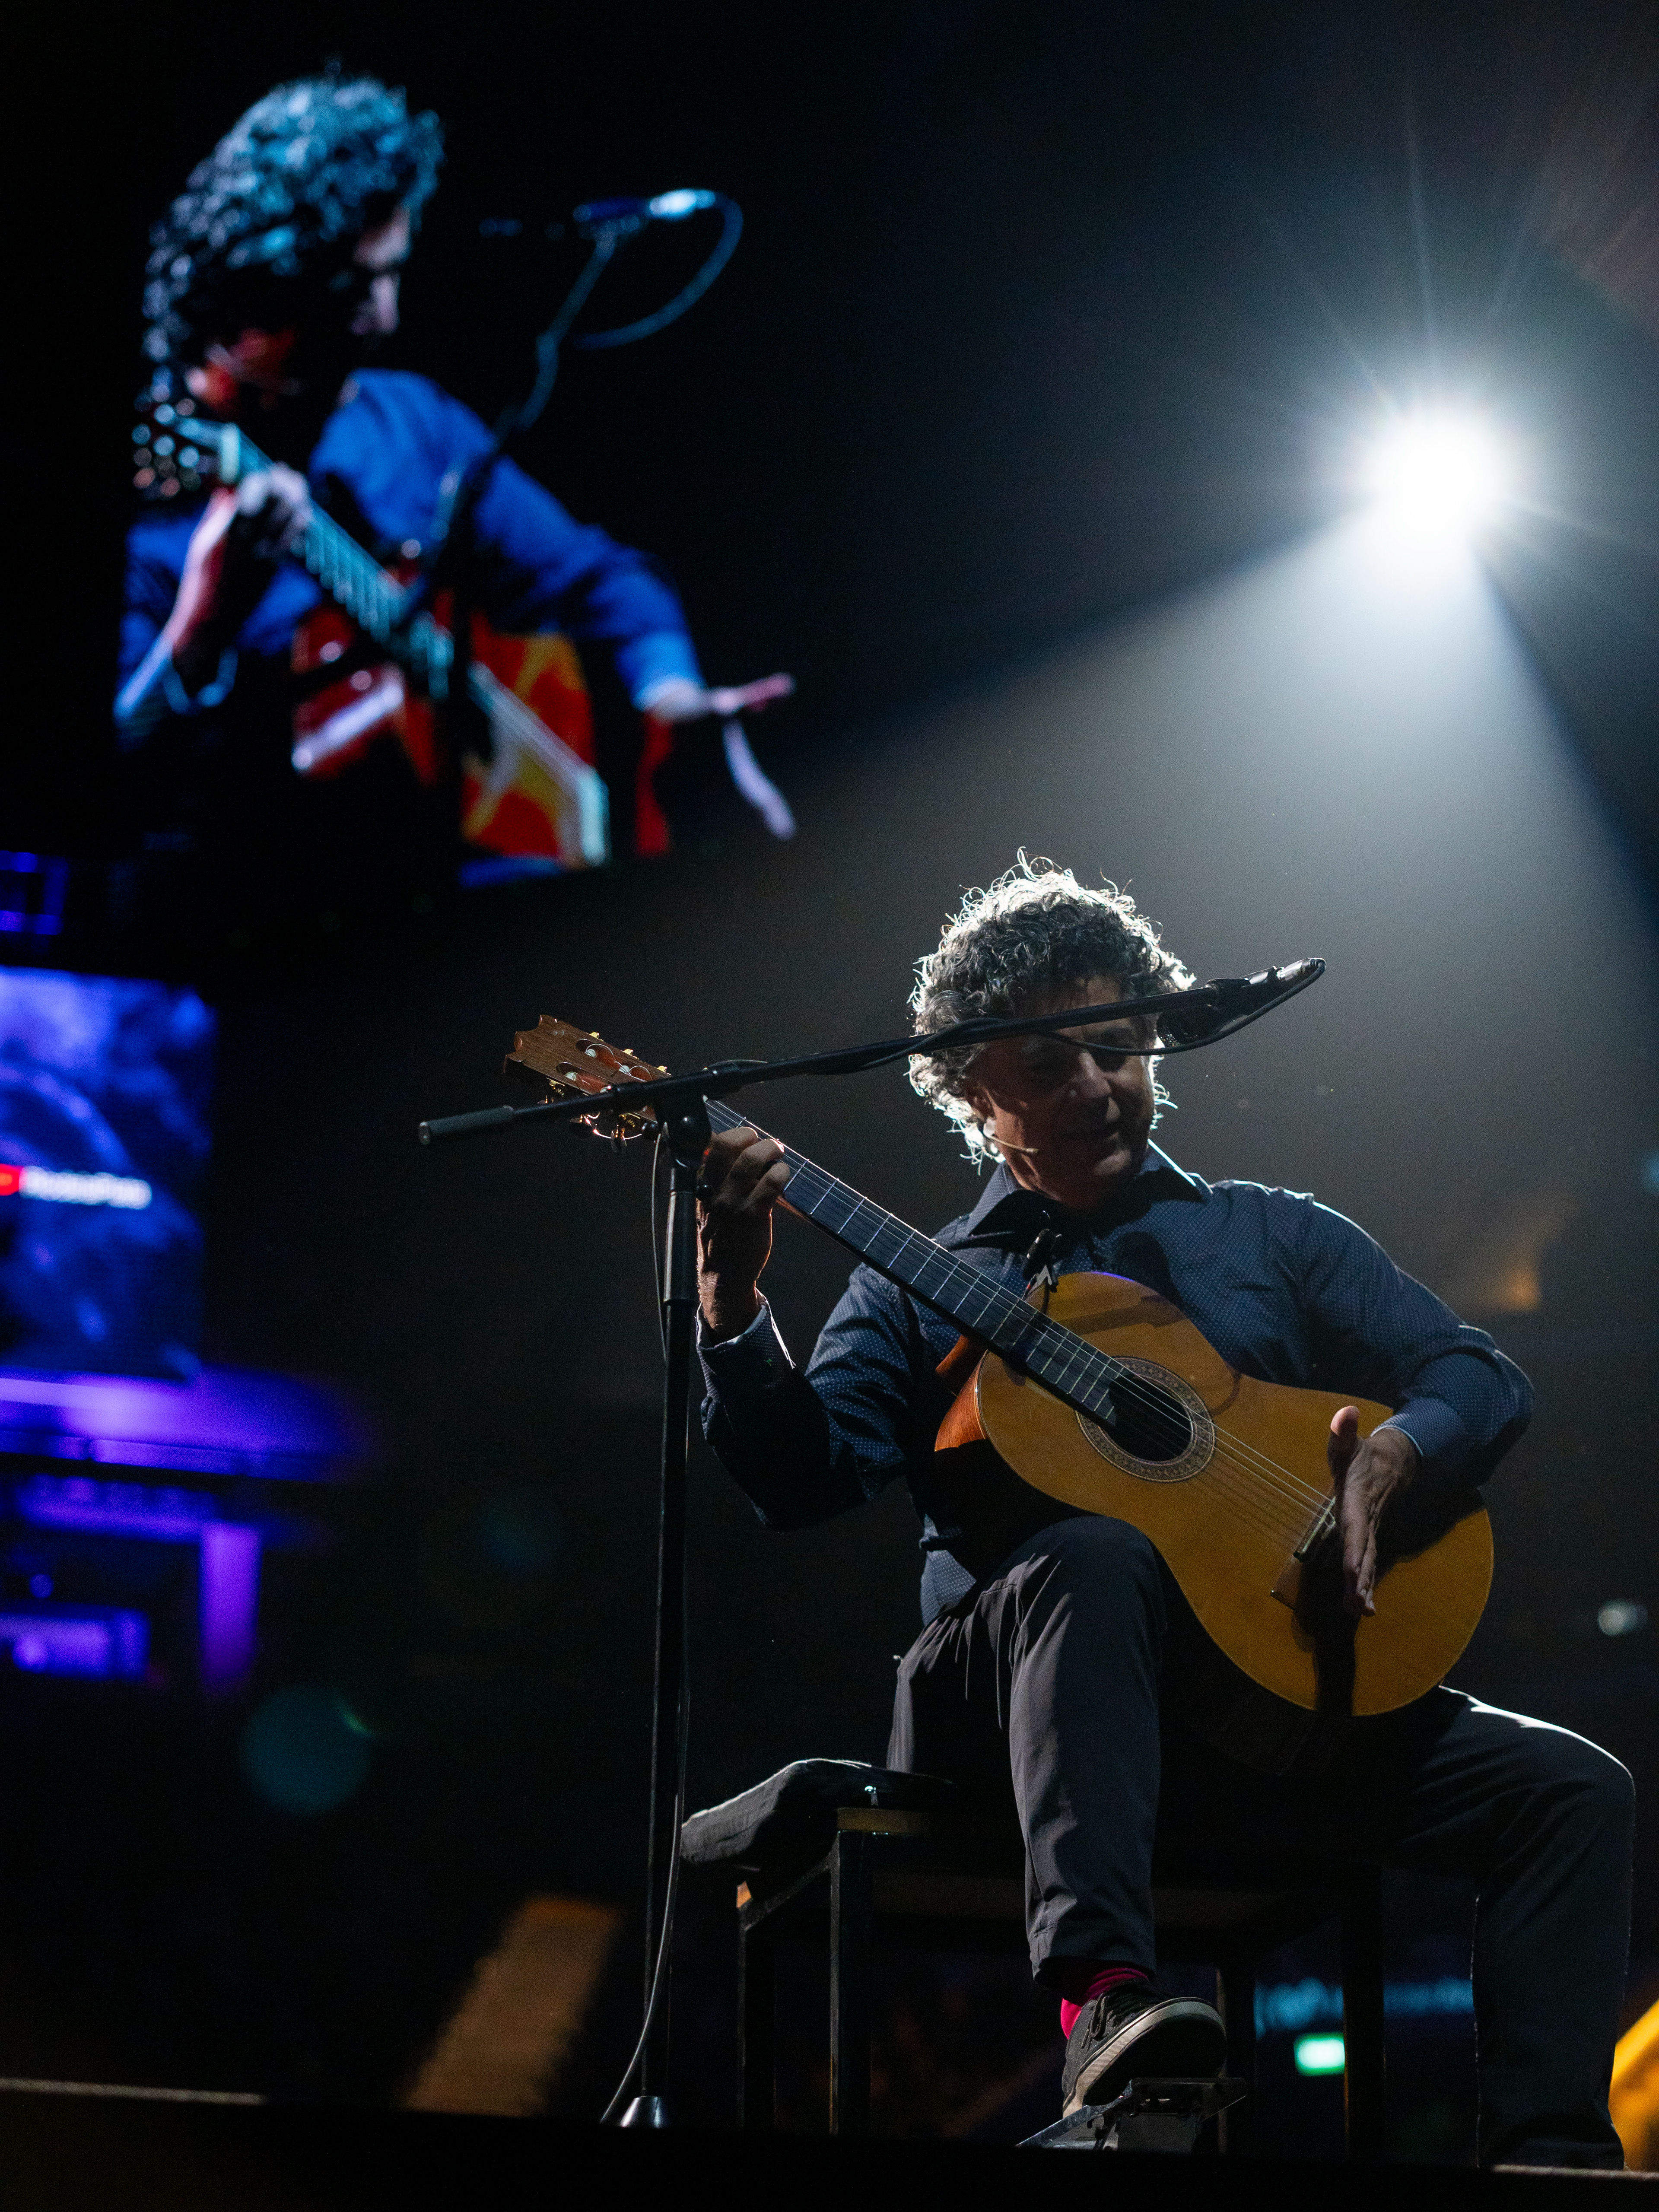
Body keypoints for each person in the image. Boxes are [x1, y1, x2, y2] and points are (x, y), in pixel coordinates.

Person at [694, 858, 1635, 2164]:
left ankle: (1550, 2161)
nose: (1095, 1087)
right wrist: (735, 1312)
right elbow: (800, 1485)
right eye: (1047, 1067)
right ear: (975, 1094)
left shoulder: (1269, 1235)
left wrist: (1395, 1459)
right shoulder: (917, 1288)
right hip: (1014, 1715)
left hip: (1260, 1707)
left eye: (1118, 1050)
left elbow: (1478, 1376)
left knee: (1568, 1788)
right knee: (1093, 1552)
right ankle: (1105, 2016)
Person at [115, 74, 786, 945]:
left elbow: (598, 577)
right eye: (354, 292)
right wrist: (201, 629)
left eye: (389, 278)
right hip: (247, 959)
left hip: (462, 931)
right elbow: (93, 784)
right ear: (256, 299)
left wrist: (671, 698)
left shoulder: (408, 423)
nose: (384, 320)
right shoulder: (147, 515)